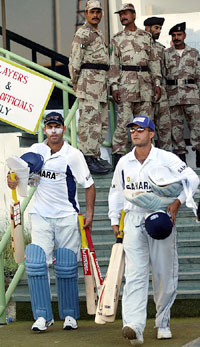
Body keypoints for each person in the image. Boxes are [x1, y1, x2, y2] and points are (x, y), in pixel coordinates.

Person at [108, 115, 199, 345]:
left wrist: (177, 202)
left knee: (163, 273)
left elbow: (191, 177)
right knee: (135, 275)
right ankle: (134, 327)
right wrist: (114, 219)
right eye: (132, 130)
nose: (135, 133)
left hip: (160, 218)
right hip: (132, 219)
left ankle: (163, 322)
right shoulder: (123, 162)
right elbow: (116, 192)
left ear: (151, 134)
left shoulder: (166, 158)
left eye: (141, 129)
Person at [7, 111, 96, 332]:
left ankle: (69, 315)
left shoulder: (73, 155)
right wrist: (11, 180)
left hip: (66, 214)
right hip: (40, 214)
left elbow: (89, 185)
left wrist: (90, 213)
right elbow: (17, 178)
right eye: (49, 127)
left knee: (66, 264)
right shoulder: (35, 151)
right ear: (45, 130)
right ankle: (42, 316)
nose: (53, 131)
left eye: (57, 126)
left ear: (63, 129)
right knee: (37, 264)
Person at [109, 3, 162, 168]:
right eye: (120, 14)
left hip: (145, 85)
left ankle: (144, 159)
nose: (123, 16)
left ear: (133, 15)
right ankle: (118, 158)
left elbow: (154, 62)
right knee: (123, 123)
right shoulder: (117, 39)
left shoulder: (146, 37)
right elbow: (114, 65)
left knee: (145, 123)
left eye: (126, 14)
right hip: (126, 85)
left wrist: (157, 83)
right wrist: (115, 87)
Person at [69, 0, 110, 175]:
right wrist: (75, 82)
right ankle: (87, 157)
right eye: (92, 12)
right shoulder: (83, 32)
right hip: (88, 82)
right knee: (89, 122)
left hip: (100, 84)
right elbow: (75, 59)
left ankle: (95, 155)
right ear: (85, 14)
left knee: (101, 123)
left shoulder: (97, 33)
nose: (96, 15)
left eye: (98, 12)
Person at [164, 22, 200, 166]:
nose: (177, 37)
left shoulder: (193, 53)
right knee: (176, 129)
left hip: (192, 95)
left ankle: (199, 157)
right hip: (173, 96)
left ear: (184, 35)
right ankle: (180, 161)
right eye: (174, 35)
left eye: (179, 35)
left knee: (197, 126)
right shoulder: (166, 54)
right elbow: (163, 75)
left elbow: (198, 75)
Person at [144, 17, 172, 151]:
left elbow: (165, 72)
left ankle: (166, 158)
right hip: (144, 92)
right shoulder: (139, 45)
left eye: (160, 28)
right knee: (147, 127)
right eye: (156, 28)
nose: (159, 31)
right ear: (147, 28)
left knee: (165, 128)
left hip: (161, 93)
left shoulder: (161, 48)